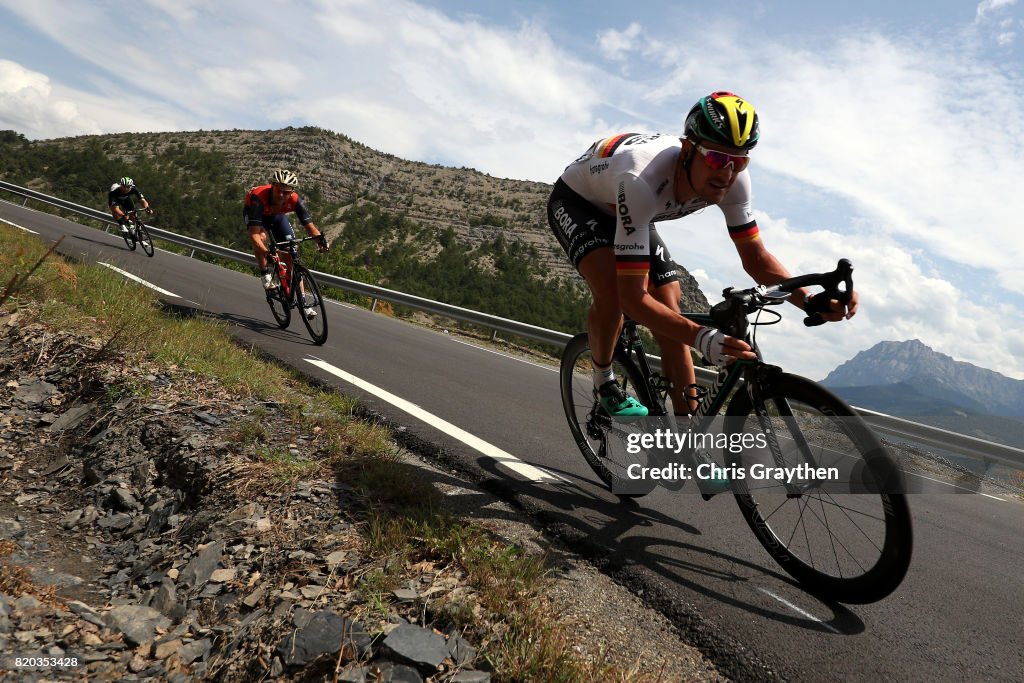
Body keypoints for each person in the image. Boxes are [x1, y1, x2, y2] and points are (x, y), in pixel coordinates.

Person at [547, 91, 858, 419]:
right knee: (613, 294)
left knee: (670, 311)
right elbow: (632, 298)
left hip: (632, 214)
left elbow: (755, 258)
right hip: (580, 203)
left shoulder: (734, 181)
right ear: (687, 150)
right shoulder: (642, 179)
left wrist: (808, 302)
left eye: (739, 161)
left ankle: (687, 447)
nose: (726, 173)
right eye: (716, 158)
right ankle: (604, 381)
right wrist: (702, 339)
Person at [243, 169, 329, 315]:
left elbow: (310, 226)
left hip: (277, 217)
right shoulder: (259, 198)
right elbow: (254, 235)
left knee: (293, 255)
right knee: (261, 238)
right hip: (258, 216)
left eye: (286, 192)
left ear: (292, 192)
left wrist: (320, 241)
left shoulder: (295, 200)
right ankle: (265, 274)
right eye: (278, 190)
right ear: (272, 186)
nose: (282, 195)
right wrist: (266, 252)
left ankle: (303, 302)